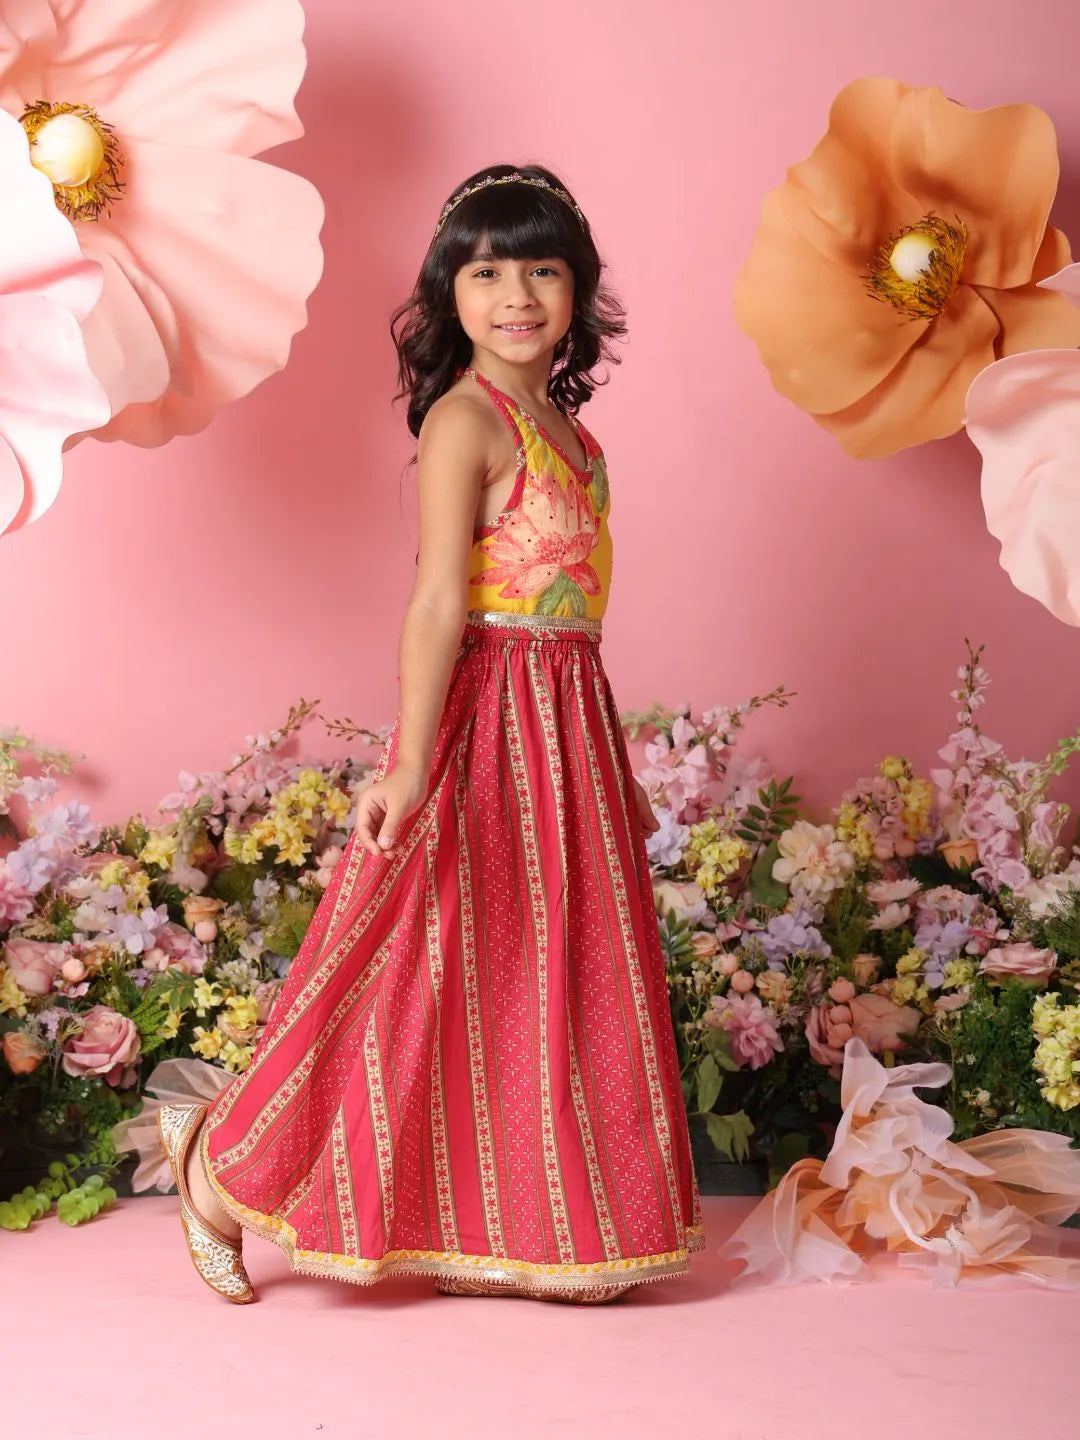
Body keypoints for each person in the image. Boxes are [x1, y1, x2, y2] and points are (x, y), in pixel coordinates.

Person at [158, 162, 704, 1304]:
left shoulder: (571, 429)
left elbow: (573, 610)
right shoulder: (467, 416)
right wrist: (410, 761)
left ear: (578, 290)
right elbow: (440, 601)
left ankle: (523, 1219)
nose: (517, 294)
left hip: (565, 716)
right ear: (448, 291)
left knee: (536, 973)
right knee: (408, 957)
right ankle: (216, 1171)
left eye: (542, 268)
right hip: (489, 711)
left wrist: (609, 765)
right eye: (487, 268)